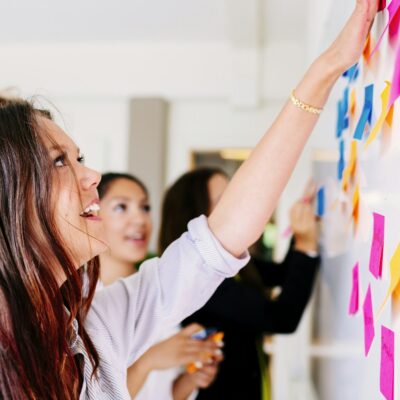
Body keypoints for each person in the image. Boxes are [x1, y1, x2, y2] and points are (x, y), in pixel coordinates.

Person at [0, 2, 377, 398]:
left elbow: (218, 241)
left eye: (80, 158)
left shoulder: (93, 330)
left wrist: (325, 71)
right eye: (59, 162)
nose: (91, 175)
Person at [159, 168, 319, 399]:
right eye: (223, 201)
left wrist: (302, 231)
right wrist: (305, 244)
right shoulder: (198, 278)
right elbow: (282, 318)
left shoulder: (233, 260)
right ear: (194, 218)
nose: (237, 206)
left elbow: (282, 274)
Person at [98, 172, 221, 399]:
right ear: (92, 215)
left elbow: (162, 394)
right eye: (121, 207)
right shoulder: (79, 304)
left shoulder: (160, 291)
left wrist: (190, 379)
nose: (140, 220)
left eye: (145, 208)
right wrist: (149, 361)